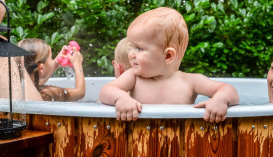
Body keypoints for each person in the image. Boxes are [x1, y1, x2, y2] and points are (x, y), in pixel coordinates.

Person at [99, 7, 240, 123]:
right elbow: (106, 90)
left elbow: (229, 90)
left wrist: (220, 100)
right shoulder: (134, 78)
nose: (131, 54)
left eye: (139, 49)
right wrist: (121, 98)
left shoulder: (190, 81)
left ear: (168, 56)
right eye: (132, 47)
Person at [18, 38, 85, 101]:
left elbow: (38, 81)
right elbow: (80, 92)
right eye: (51, 58)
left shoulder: (19, 88)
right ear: (41, 68)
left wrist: (56, 62)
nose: (52, 60)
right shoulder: (47, 93)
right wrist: (77, 64)